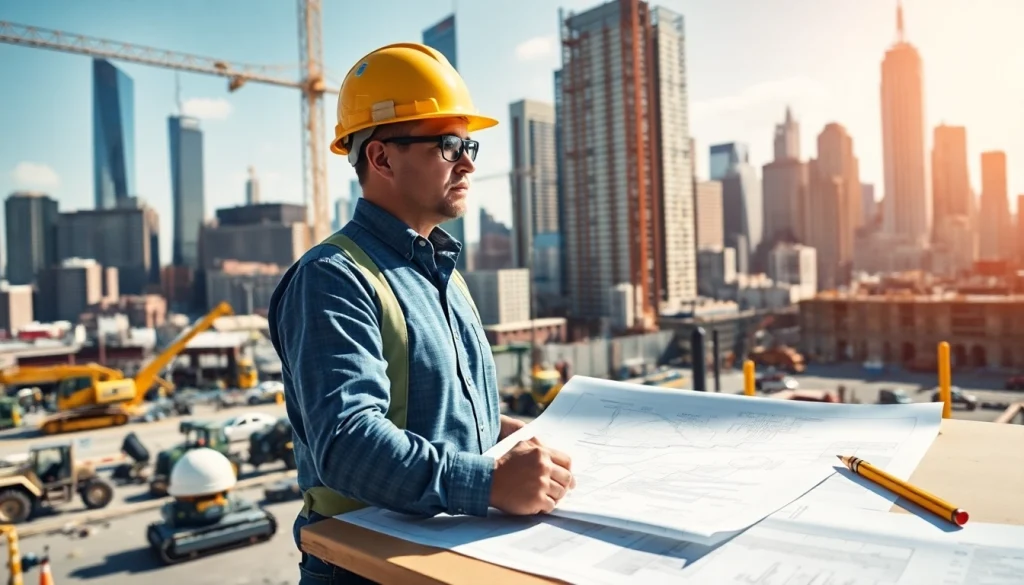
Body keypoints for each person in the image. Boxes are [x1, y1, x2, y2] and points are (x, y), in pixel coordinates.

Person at [268, 42, 576, 585]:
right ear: (382, 157)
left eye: (470, 145)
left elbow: (439, 416)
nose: (467, 162)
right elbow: (347, 443)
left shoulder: (445, 274)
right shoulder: (334, 277)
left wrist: (510, 442)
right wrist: (489, 483)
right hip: (366, 570)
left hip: (450, 555)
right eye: (448, 144)